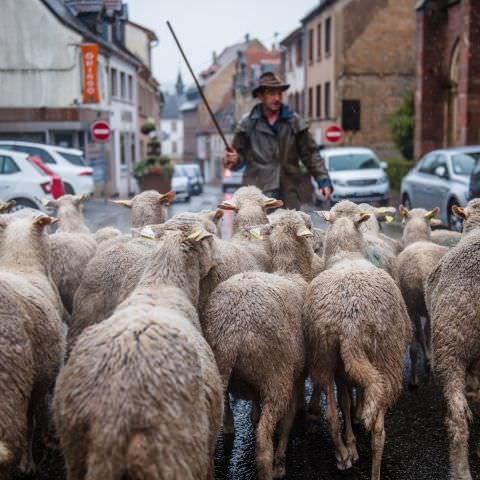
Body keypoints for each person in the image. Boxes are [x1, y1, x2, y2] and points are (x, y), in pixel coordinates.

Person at [223, 71, 332, 209]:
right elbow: (237, 159)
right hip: (257, 195)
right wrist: (233, 159)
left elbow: (311, 155)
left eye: (279, 94)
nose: (277, 98)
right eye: (271, 94)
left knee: (288, 228)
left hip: (288, 193)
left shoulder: (295, 122)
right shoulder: (247, 124)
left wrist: (323, 181)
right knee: (258, 231)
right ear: (260, 96)